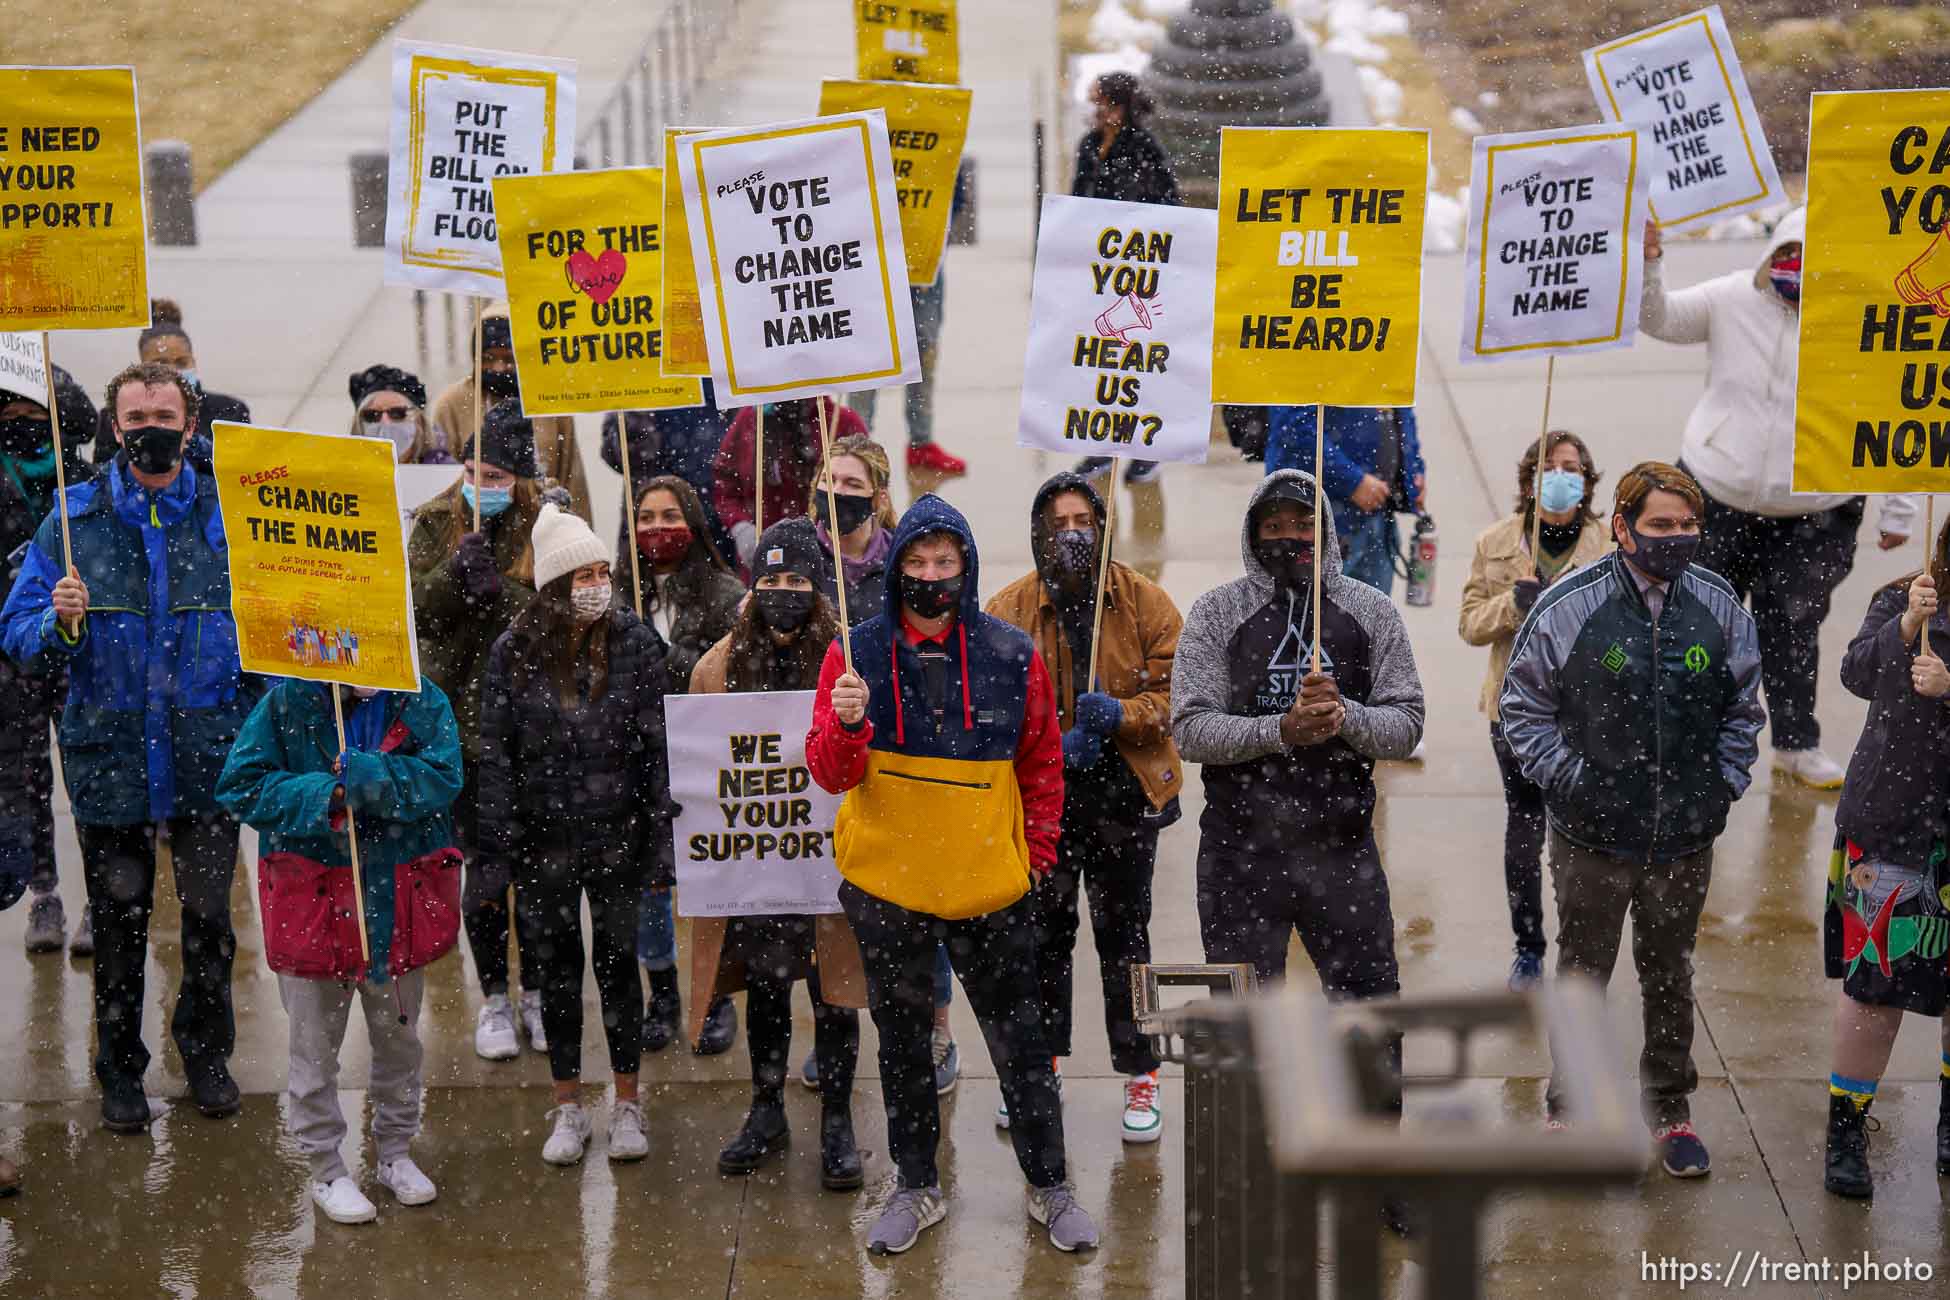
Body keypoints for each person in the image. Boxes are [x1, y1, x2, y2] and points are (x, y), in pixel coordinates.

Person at [807, 494, 1099, 1256]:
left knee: (1021, 1046)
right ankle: (915, 1186)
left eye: (945, 562)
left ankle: (1050, 1183)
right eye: (916, 561)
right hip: (889, 891)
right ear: (897, 565)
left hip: (988, 891)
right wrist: (846, 723)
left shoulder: (1010, 654)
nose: (931, 575)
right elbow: (831, 774)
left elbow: (1041, 763)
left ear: (965, 568)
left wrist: (1034, 856)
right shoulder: (853, 653)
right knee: (904, 1048)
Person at [0, 361, 263, 1132]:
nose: (150, 428)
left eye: (164, 414)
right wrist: (61, 620)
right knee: (120, 923)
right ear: (114, 427)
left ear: (191, 423)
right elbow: (15, 635)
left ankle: (207, 1056)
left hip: (207, 757)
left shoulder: (230, 518)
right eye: (136, 416)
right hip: (109, 760)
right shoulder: (73, 520)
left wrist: (252, 721)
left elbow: (273, 635)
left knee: (210, 919)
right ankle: (120, 1070)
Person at [1170, 469, 1424, 1232]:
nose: (1289, 540)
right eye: (1273, 528)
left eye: (1302, 526)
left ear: (1327, 533)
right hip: (1241, 854)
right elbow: (1189, 729)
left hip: (1341, 848)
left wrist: (1343, 717)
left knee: (1371, 1011)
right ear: (1253, 533)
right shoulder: (1218, 613)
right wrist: (1278, 730)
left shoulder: (1369, 611)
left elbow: (1408, 723)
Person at [1501, 461, 1764, 1178]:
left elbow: (1744, 709)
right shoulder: (1569, 604)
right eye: (1660, 526)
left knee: (1670, 975)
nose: (1676, 538)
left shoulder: (1719, 606)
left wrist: (1722, 786)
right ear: (1622, 527)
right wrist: (1574, 783)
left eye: (1688, 526)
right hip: (1591, 839)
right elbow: (1522, 709)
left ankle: (1670, 1112)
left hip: (1684, 839)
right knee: (1583, 973)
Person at [1641, 209, 1911, 789]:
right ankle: (1683, 741)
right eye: (1792, 257)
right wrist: (1650, 263)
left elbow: (1894, 409)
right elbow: (1658, 318)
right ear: (1775, 254)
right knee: (1698, 625)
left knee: (1793, 627)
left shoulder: (1860, 321)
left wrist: (1899, 508)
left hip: (1816, 510)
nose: (1800, 276)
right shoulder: (1731, 298)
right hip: (1716, 496)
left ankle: (1795, 745)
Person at [216, 676, 463, 1224]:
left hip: (397, 901)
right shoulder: (287, 702)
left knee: (400, 1041)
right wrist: (323, 795)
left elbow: (445, 777)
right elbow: (240, 785)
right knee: (314, 1048)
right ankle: (326, 1168)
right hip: (314, 905)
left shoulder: (421, 698)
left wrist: (371, 776)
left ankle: (395, 1153)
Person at [987, 471, 1184, 1144]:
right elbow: (986, 706)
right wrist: (1044, 738)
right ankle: (1040, 1067)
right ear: (1038, 533)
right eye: (1058, 523)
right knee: (1043, 937)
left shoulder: (1145, 602)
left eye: (1083, 521)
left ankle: (1141, 1070)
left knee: (1126, 938)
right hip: (1046, 803)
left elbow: (1174, 695)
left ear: (1102, 528)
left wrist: (1121, 716)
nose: (1072, 534)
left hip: (1124, 800)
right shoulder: (1008, 609)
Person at [479, 504, 670, 1166]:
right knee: (556, 974)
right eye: (583, 574)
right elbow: (497, 753)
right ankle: (566, 1105)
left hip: (617, 838)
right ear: (556, 585)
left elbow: (657, 750)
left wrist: (656, 842)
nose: (597, 584)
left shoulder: (637, 643)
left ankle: (626, 1101)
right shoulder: (514, 651)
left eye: (602, 571)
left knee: (619, 971)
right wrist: (500, 846)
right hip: (544, 844)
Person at [688, 518, 867, 1188]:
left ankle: (838, 1120)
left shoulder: (847, 661)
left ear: (818, 587)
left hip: (833, 864)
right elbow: (705, 763)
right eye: (771, 579)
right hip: (759, 864)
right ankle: (766, 1109)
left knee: (834, 994)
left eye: (797, 580)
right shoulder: (720, 664)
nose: (783, 591)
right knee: (765, 987)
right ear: (752, 584)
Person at [798, 433, 963, 1094]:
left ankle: (937, 1027)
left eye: (852, 486)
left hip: (903, 759)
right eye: (829, 482)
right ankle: (834, 1028)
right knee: (832, 910)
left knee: (929, 908)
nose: (837, 496)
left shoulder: (907, 562)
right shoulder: (798, 553)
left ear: (880, 494)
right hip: (828, 749)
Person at [407, 400, 549, 1061]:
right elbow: (413, 612)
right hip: (461, 725)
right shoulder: (435, 522)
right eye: (473, 470)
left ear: (518, 482)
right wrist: (449, 579)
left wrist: (505, 595)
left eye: (496, 476)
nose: (481, 485)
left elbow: (562, 616)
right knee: (485, 875)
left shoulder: (547, 525)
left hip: (532, 725)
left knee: (541, 875)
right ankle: (494, 994)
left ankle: (540, 992)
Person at [1820, 525, 1950, 1200]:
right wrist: (1906, 626)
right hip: (1894, 826)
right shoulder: (1905, 596)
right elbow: (1854, 673)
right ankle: (1848, 1129)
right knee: (1875, 990)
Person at [1458, 432, 1610, 992]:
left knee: (1584, 832)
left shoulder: (1609, 547)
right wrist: (1511, 603)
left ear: (1588, 479)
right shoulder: (1496, 542)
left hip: (1587, 712)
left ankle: (1581, 946)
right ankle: (1528, 948)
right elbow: (1471, 625)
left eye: (1573, 466)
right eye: (1550, 466)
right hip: (1515, 709)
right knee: (1524, 828)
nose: (1562, 475)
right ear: (1529, 479)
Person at [628, 474, 743, 1055]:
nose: (657, 529)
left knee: (707, 882)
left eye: (670, 516)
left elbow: (722, 676)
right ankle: (664, 993)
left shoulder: (724, 594)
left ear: (693, 524)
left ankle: (716, 993)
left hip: (702, 757)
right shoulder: (620, 590)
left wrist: (665, 657)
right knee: (651, 885)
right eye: (646, 518)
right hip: (635, 762)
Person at [1, 375, 96, 956]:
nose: (22, 418)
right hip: (9, 659)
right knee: (26, 780)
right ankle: (44, 893)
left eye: (36, 410)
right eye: (11, 408)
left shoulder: (83, 480)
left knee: (89, 778)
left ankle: (99, 898)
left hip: (80, 654)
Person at [1072, 70, 1180, 491]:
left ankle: (1146, 450)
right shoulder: (1089, 146)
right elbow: (1077, 199)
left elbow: (1167, 203)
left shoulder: (1144, 147)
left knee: (1138, 364)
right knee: (1101, 363)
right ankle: (1103, 442)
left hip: (1137, 271)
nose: (1096, 110)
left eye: (1102, 101)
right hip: (1100, 272)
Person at [844, 167, 972, 478]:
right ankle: (857, 447)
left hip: (923, 258)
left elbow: (953, 196)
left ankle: (920, 442)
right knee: (869, 351)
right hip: (873, 258)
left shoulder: (934, 136)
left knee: (924, 348)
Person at [431, 304, 592, 520]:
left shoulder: (549, 401)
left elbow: (572, 477)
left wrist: (577, 534)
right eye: (488, 358)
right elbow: (442, 482)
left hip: (544, 529)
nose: (499, 368)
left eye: (509, 359)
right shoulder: (451, 405)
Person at [1264, 405, 1427, 599]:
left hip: (1379, 515)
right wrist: (1352, 481)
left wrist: (1413, 469)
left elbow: (1402, 406)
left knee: (1373, 622)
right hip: (1317, 517)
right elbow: (1292, 426)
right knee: (1307, 617)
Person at [90, 298, 249, 468]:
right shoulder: (116, 415)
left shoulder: (229, 411)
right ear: (143, 365)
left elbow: (240, 474)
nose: (173, 371)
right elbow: (106, 475)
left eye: (181, 362)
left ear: (193, 362)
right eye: (161, 363)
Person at [713, 396, 866, 571]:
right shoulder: (750, 419)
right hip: (765, 566)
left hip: (831, 567)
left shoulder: (841, 421)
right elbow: (725, 484)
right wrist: (741, 527)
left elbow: (866, 487)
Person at [599, 379, 736, 562]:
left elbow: (744, 441)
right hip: (653, 516)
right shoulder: (639, 371)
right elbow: (615, 454)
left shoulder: (718, 367)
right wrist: (630, 420)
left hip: (716, 511)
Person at [348, 364, 452, 464]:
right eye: (372, 415)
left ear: (418, 420)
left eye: (397, 413)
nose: (385, 422)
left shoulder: (448, 473)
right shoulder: (345, 474)